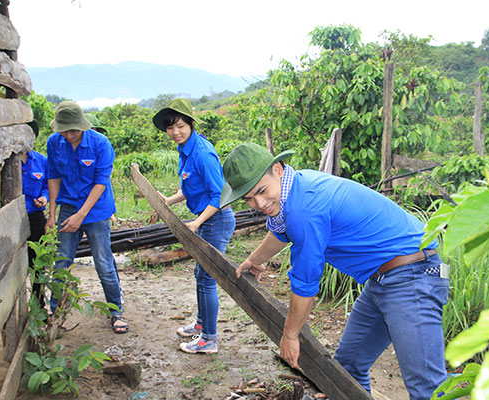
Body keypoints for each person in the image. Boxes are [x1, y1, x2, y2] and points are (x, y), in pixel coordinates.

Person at [220, 143, 449, 400]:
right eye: (249, 198)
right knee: (347, 369)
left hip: (413, 276)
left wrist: (290, 335)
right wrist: (254, 259)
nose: (259, 203)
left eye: (261, 191)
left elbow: (305, 284)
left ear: (278, 169)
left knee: (426, 388)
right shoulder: (297, 187)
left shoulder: (305, 207)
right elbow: (282, 232)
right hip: (382, 279)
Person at [152, 98, 236, 354]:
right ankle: (201, 323)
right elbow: (192, 187)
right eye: (170, 128)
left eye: (179, 126)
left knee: (207, 279)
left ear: (190, 123)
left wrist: (197, 223)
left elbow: (219, 195)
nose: (175, 132)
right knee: (200, 276)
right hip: (207, 220)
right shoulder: (186, 149)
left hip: (216, 221)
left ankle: (209, 339)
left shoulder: (202, 152)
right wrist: (171, 200)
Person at [45, 101, 128, 334]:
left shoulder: (101, 145)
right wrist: (51, 215)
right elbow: (53, 177)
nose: (69, 134)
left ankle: (116, 311)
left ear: (83, 126)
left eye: (73, 130)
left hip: (96, 210)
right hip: (68, 207)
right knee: (62, 260)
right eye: (64, 130)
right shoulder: (54, 143)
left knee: (103, 262)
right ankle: (54, 312)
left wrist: (81, 216)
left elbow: (101, 183)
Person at [21, 121, 48, 308]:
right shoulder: (4, 162)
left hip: (35, 218)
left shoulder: (40, 160)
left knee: (37, 263)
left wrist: (45, 198)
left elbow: (47, 184)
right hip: (11, 219)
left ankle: (38, 306)